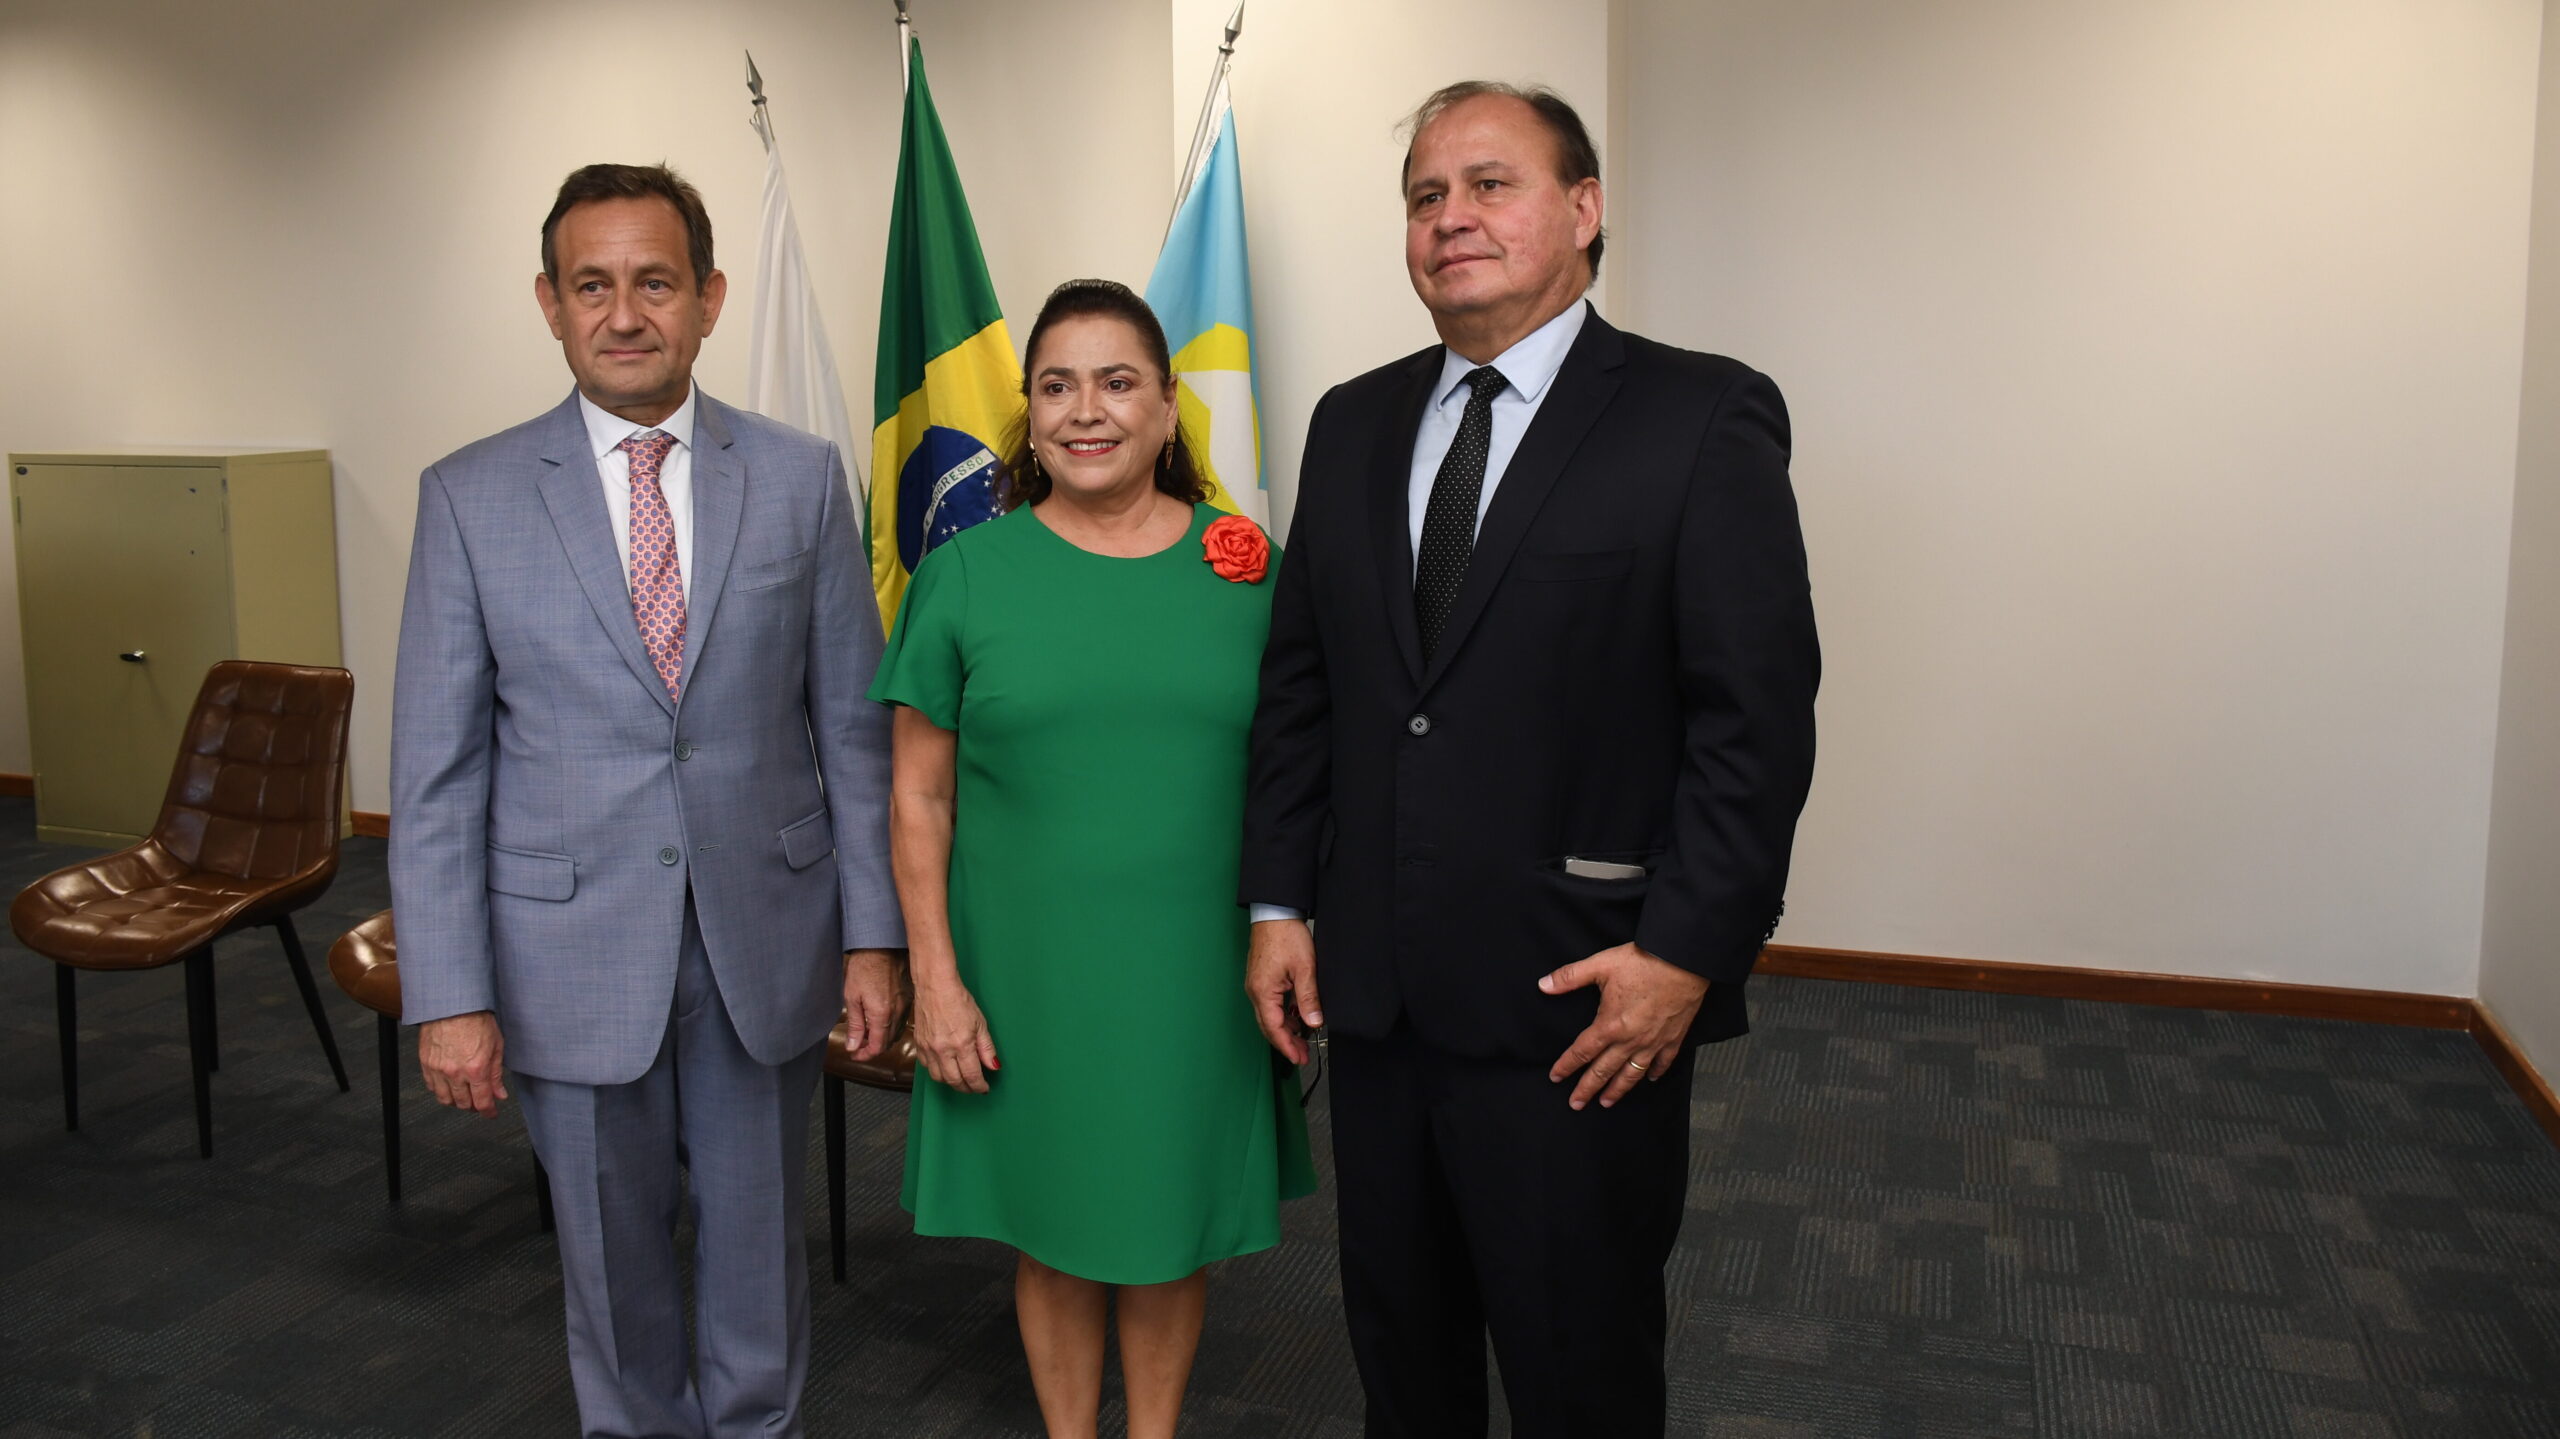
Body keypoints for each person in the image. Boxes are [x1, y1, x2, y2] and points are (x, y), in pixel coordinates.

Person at [1241, 82, 1820, 1436]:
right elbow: (1302, 689)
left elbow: (1755, 720)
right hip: (1378, 1002)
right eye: (1426, 196)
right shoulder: (1351, 421)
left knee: (1580, 1371)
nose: (1452, 217)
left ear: (1583, 207)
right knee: (1402, 1361)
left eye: (1490, 184)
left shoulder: (1700, 416)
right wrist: (1277, 900)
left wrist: (1685, 952)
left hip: (1584, 1003)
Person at [390, 162, 904, 1439]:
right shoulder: (468, 495)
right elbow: (436, 775)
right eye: (592, 285)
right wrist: (449, 991)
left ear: (710, 298)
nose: (625, 314)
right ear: (550, 304)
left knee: (758, 1252)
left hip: (762, 937)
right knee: (611, 1271)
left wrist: (872, 936)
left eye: (656, 282)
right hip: (563, 952)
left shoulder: (798, 476)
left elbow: (853, 731)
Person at [871, 278, 1315, 1439]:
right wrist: (934, 976)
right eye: (1056, 385)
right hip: (1027, 970)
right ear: (1029, 412)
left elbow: (1302, 773)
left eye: (1117, 382)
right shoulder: (965, 572)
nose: (1085, 410)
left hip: (1192, 969)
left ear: (1168, 407)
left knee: (1169, 1226)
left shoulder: (1251, 570)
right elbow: (917, 794)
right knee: (1054, 1229)